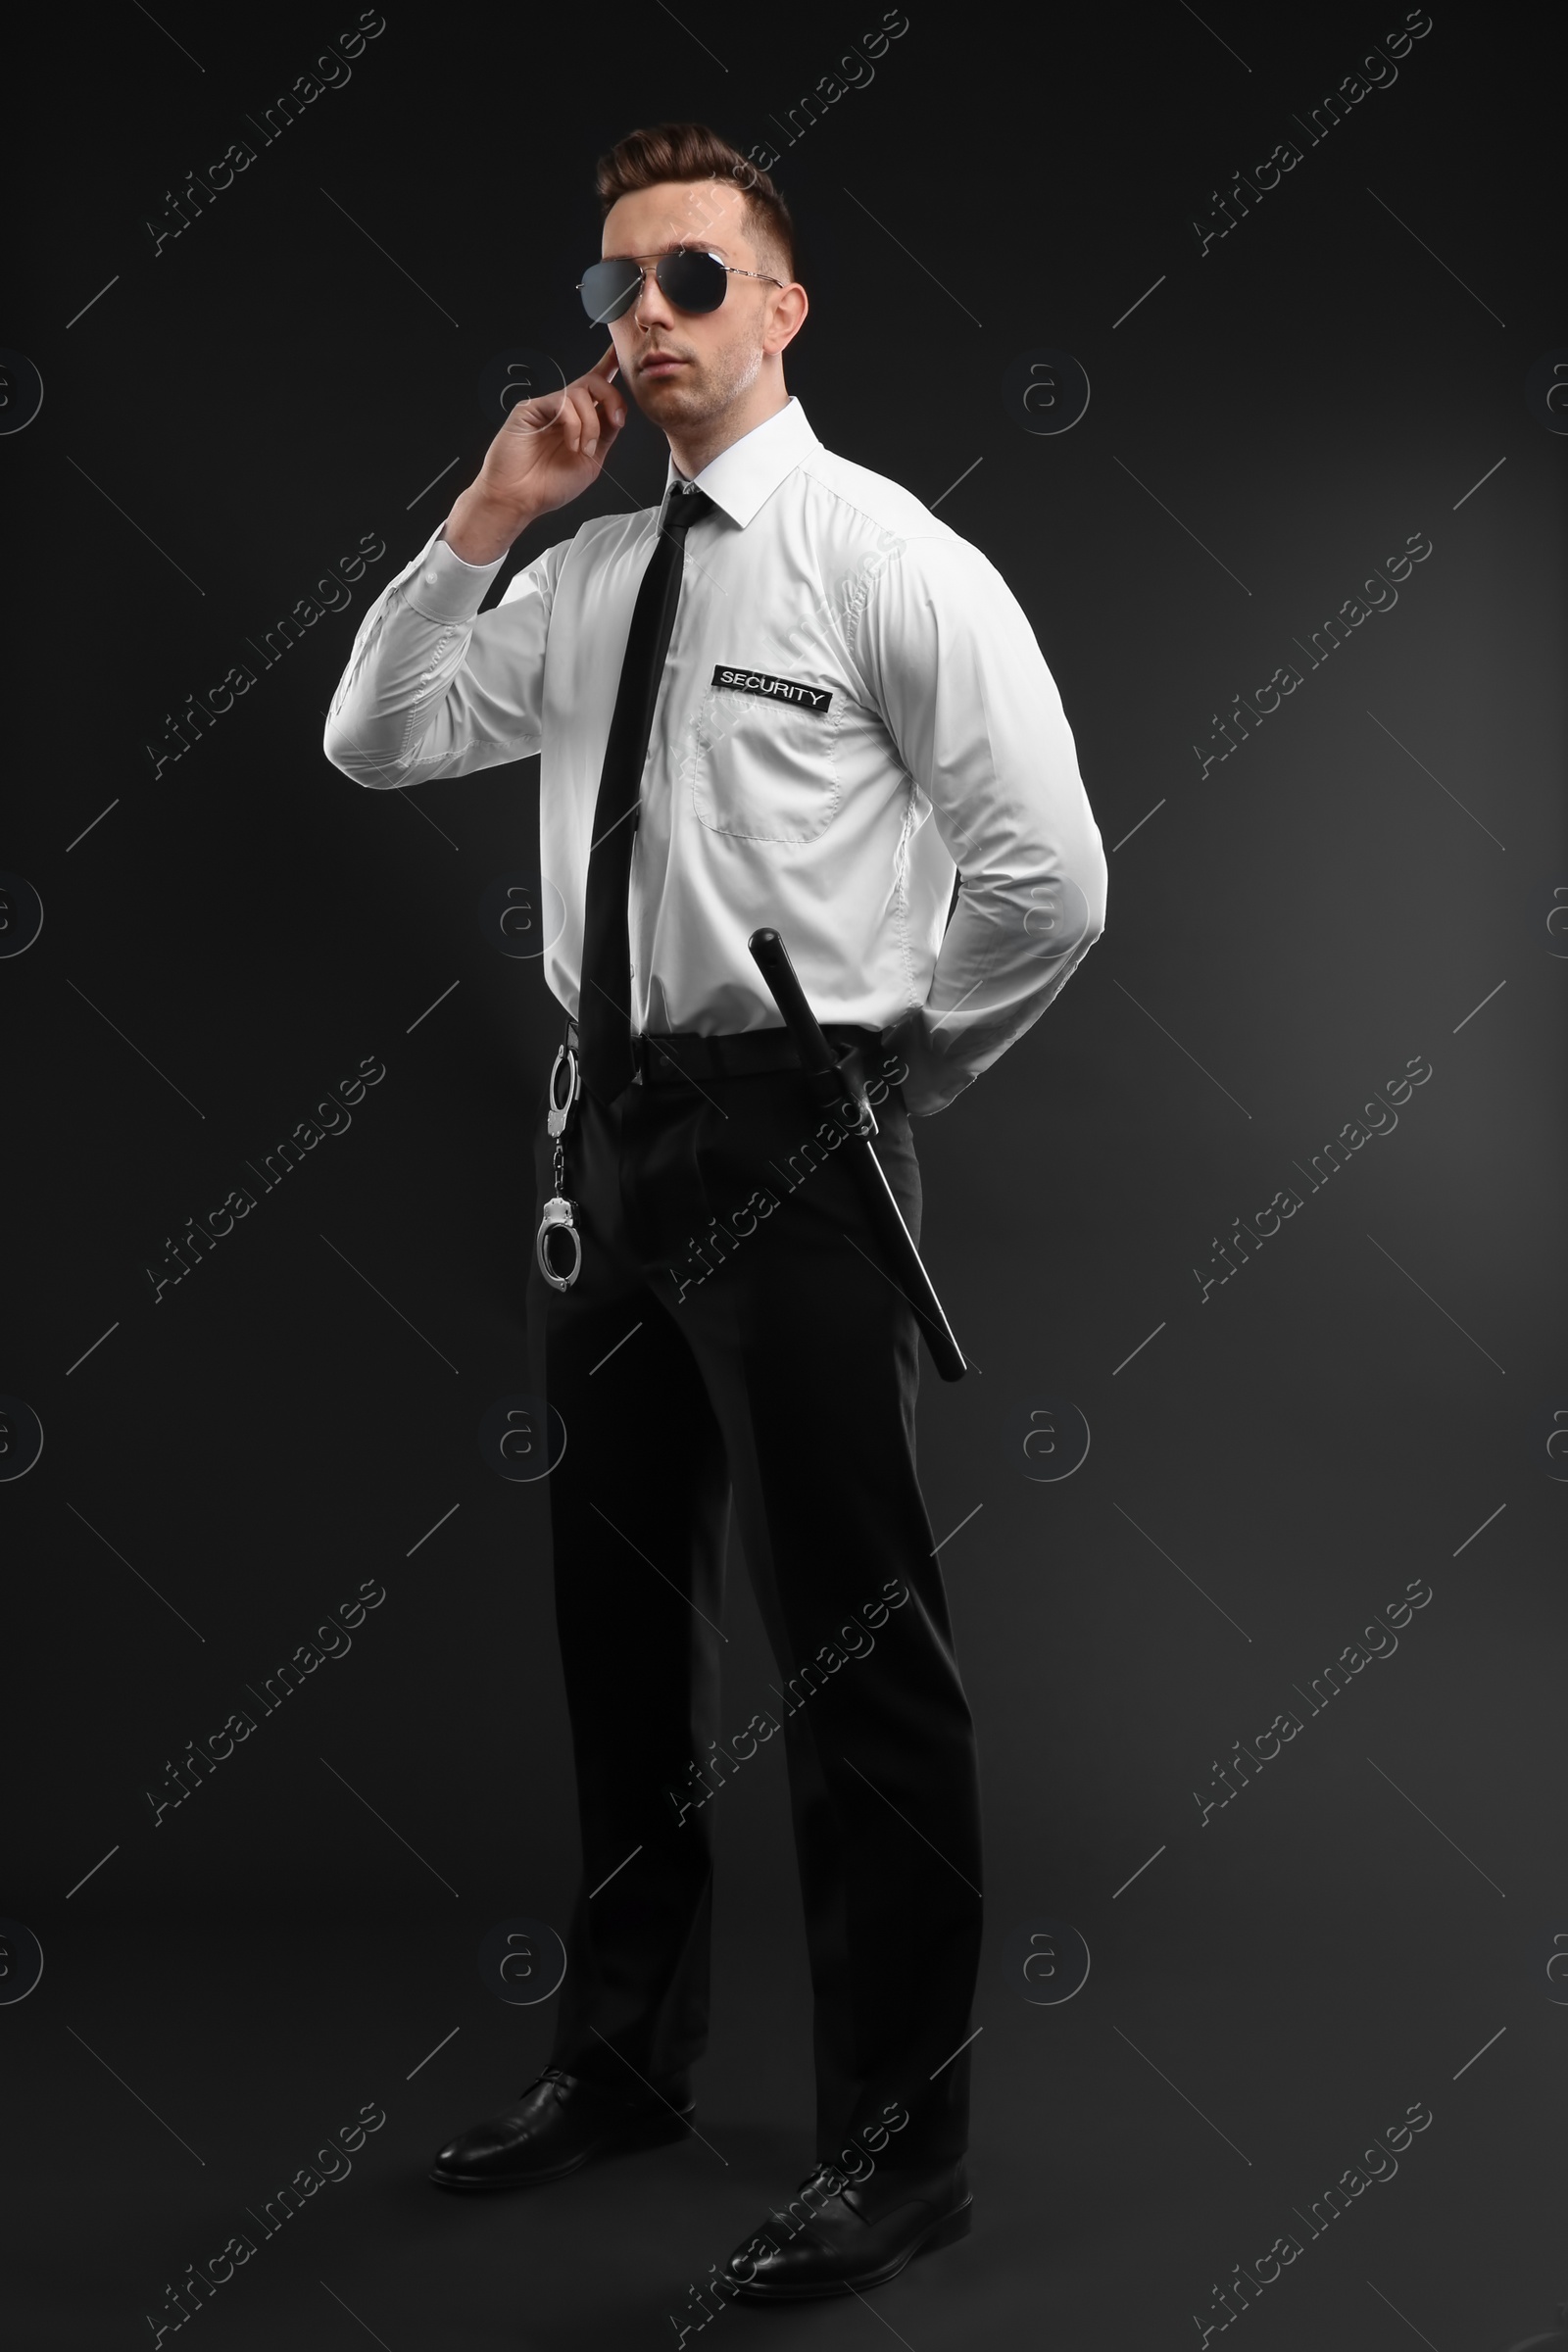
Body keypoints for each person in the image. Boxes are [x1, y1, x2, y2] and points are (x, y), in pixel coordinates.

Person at [323, 119, 1107, 2300]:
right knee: (613, 1630)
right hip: (602, 1150)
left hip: (798, 1145)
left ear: (777, 306)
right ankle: (623, 2061)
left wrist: (871, 1080)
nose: (641, 323)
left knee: (859, 1661)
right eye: (612, 289)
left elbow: (1051, 878)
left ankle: (900, 2146)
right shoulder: (575, 574)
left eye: (686, 281)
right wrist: (485, 518)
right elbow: (371, 742)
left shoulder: (885, 559)